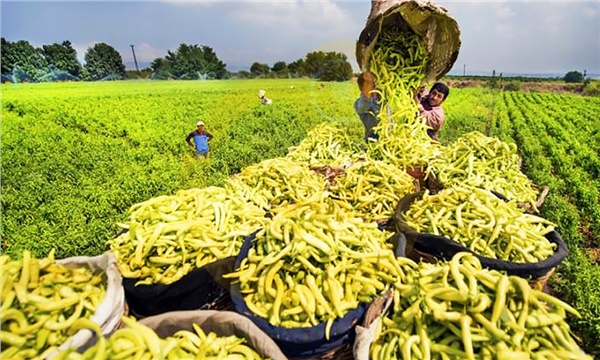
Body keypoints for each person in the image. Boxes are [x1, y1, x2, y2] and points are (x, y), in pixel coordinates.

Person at [354, 71, 382, 142]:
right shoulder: (359, 104)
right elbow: (363, 106)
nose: (373, 85)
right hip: (374, 141)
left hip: (391, 139)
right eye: (369, 83)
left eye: (374, 83)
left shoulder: (384, 99)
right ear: (361, 88)